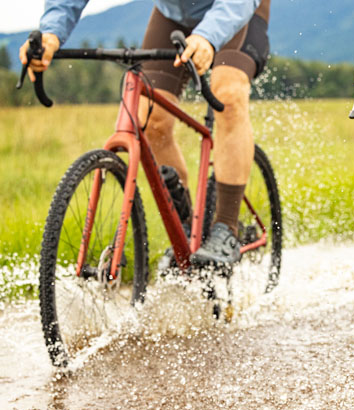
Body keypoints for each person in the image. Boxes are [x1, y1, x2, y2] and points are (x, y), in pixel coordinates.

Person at [20, 0, 271, 267]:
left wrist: (208, 37)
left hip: (237, 9)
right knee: (150, 120)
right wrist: (51, 32)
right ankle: (186, 229)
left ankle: (226, 228)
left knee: (228, 94)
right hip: (174, 14)